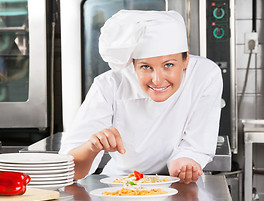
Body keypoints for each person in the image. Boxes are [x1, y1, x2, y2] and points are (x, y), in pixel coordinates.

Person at [59, 10, 223, 184]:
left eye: (168, 65)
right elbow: (69, 170)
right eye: (145, 67)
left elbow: (195, 145)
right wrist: (91, 147)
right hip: (120, 185)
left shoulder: (205, 75)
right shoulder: (109, 85)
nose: (158, 80)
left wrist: (184, 163)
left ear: (186, 60)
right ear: (133, 65)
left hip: (178, 185)